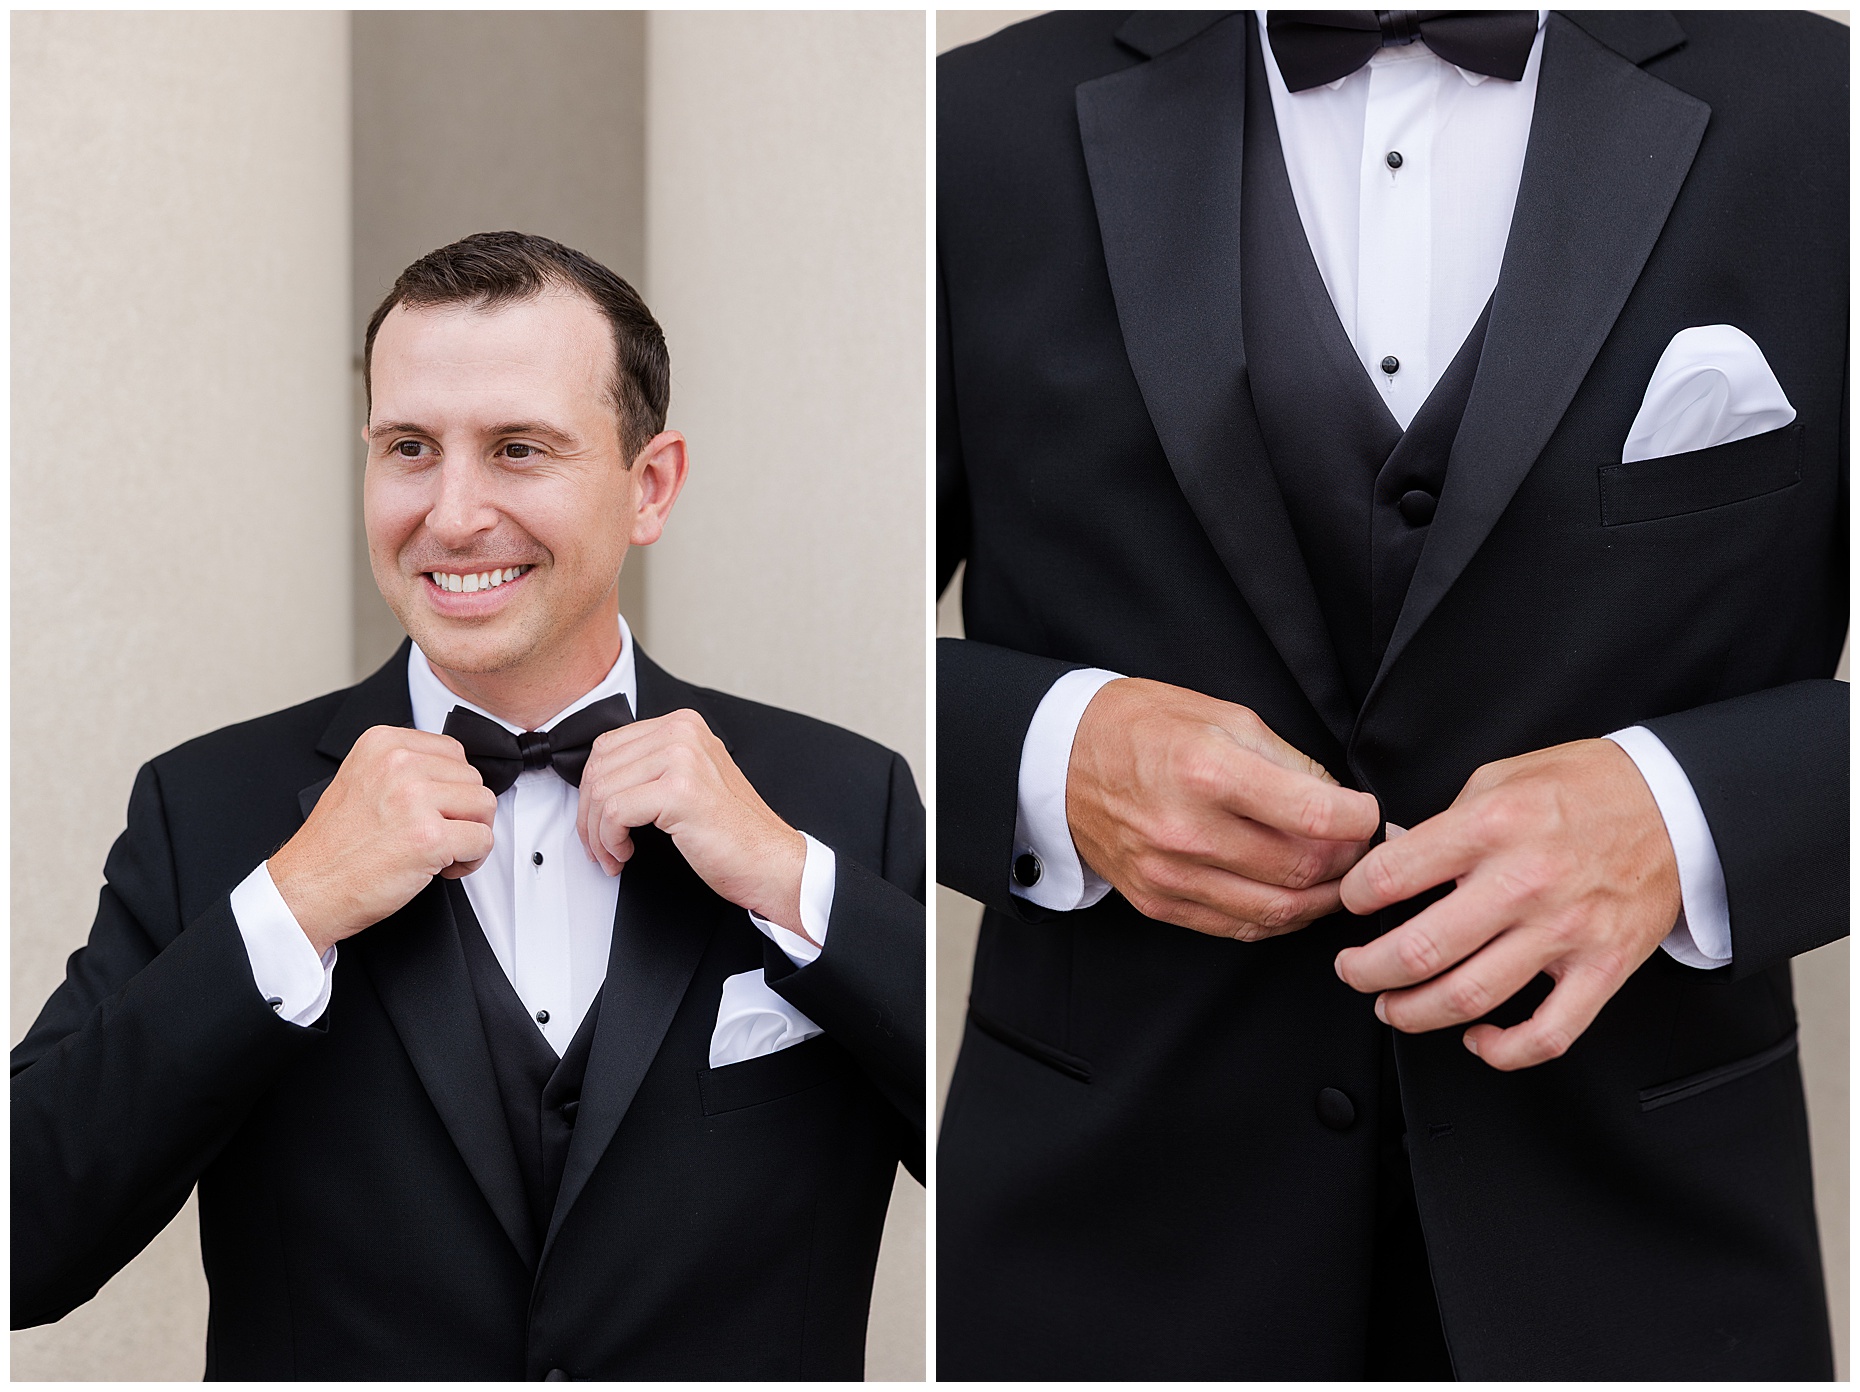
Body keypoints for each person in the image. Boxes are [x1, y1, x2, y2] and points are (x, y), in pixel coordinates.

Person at [936, 10, 1844, 1380]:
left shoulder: (1825, 112)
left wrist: (1687, 815)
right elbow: (797, 656)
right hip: (1100, 1259)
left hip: (1646, 1270)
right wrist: (1052, 758)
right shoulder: (976, 125)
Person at [13, 231, 924, 1380]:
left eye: (517, 449)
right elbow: (24, 1241)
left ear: (650, 487)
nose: (450, 516)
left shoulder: (847, 798)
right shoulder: (205, 809)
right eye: (408, 448)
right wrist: (286, 911)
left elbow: (1007, 1165)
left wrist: (798, 888)